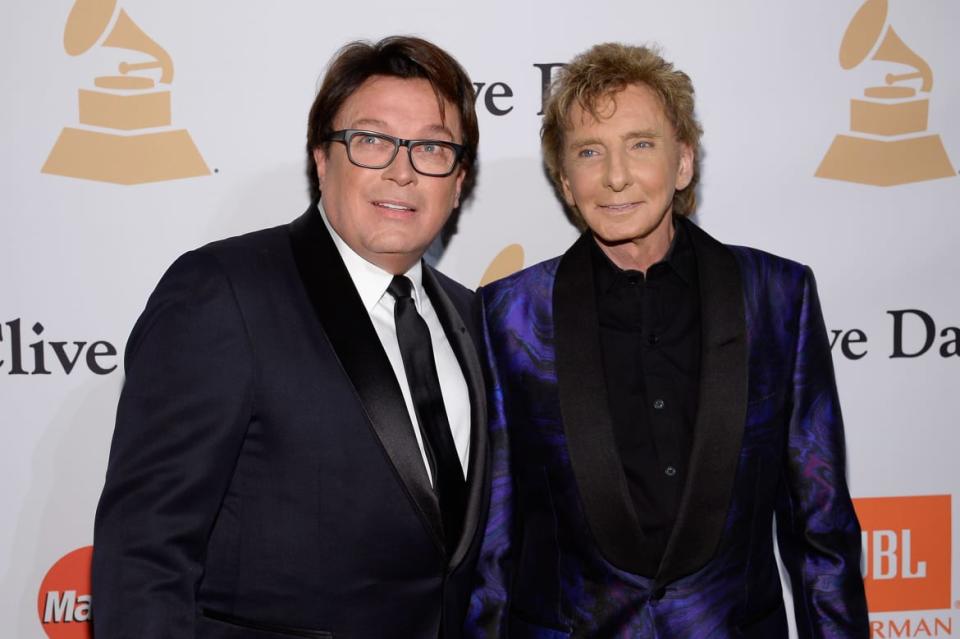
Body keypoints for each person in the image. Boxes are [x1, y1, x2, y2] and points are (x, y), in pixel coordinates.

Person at [466, 43, 869, 638]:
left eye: (641, 144)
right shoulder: (509, 314)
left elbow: (822, 529)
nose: (617, 175)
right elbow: (494, 546)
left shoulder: (777, 297)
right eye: (589, 152)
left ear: (683, 162)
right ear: (565, 182)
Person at [93, 36, 489, 639]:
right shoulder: (224, 292)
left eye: (432, 147)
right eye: (373, 140)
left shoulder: (474, 318)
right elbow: (144, 554)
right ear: (322, 159)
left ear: (458, 182)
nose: (402, 170)